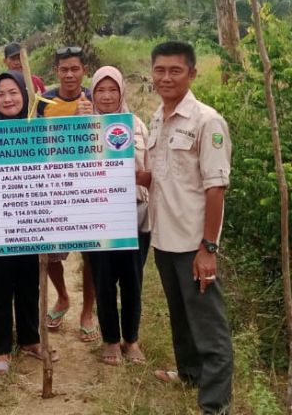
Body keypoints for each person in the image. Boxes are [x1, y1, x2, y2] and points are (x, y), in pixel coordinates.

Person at [146, 41, 233, 415]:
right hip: (164, 239)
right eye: (160, 70)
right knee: (180, 314)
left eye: (175, 70)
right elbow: (161, 177)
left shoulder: (206, 121)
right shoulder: (155, 118)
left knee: (208, 324)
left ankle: (215, 404)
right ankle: (189, 373)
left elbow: (216, 188)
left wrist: (207, 249)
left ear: (192, 74)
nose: (166, 77)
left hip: (193, 243)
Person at [0, 71, 51, 374]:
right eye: (2, 94)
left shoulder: (37, 130)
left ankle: (31, 339)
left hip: (29, 219)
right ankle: (0, 350)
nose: (8, 99)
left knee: (28, 281)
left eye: (14, 93)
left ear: (25, 96)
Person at [86, 66, 152, 366]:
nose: (107, 96)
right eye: (101, 90)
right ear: (93, 93)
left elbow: (151, 175)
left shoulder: (137, 126)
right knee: (103, 280)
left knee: (132, 280)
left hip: (136, 216)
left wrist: (138, 176)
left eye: (113, 89)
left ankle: (132, 340)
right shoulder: (82, 129)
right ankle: (110, 340)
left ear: (122, 92)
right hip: (97, 219)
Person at [35, 46, 97, 340]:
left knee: (91, 253)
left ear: (83, 70)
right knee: (50, 252)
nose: (69, 74)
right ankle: (62, 296)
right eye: (64, 69)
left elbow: (109, 134)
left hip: (89, 185)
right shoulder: (44, 100)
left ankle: (88, 310)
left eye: (75, 68)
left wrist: (91, 118)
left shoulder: (95, 98)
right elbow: (31, 137)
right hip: (52, 186)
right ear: (56, 72)